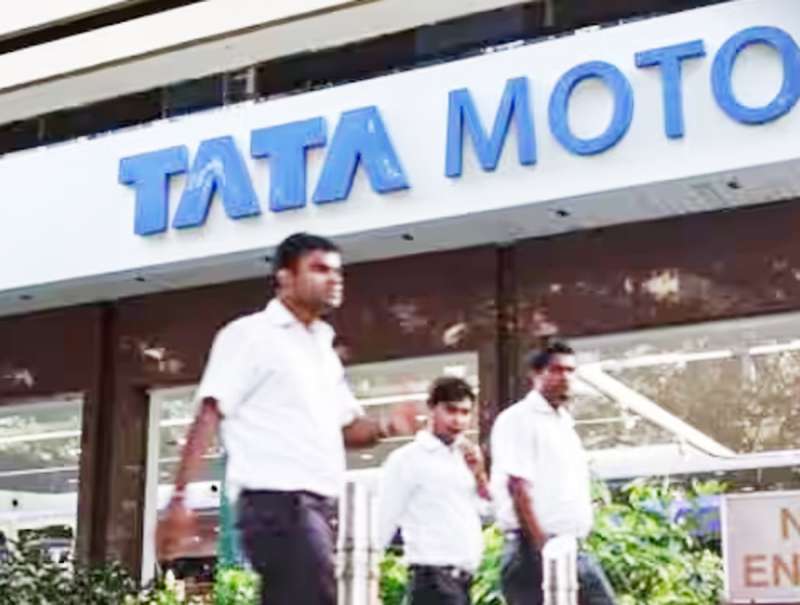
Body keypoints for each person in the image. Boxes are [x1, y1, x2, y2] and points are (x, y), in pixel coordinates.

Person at [158, 232, 417, 605]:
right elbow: (210, 411)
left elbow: (348, 429)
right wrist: (180, 498)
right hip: (275, 503)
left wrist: (389, 425)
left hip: (317, 506)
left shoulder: (322, 351)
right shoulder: (250, 335)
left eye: (337, 271)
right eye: (319, 269)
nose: (333, 279)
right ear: (285, 277)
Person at [489, 341, 616, 605]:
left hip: (571, 546)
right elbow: (517, 487)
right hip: (533, 548)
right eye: (556, 370)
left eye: (570, 371)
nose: (565, 377)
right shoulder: (519, 418)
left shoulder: (563, 424)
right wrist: (543, 548)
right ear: (536, 374)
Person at [378, 376, 490, 605]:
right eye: (450, 410)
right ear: (431, 408)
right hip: (432, 577)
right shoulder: (407, 459)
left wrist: (479, 475)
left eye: (465, 412)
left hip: (464, 579)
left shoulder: (465, 458)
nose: (457, 420)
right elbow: (383, 520)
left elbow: (487, 511)